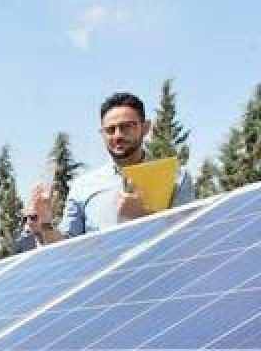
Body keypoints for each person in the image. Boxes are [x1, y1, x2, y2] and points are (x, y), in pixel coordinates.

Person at [30, 92, 195, 245]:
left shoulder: (176, 177)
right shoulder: (82, 187)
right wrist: (44, 225)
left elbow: (187, 239)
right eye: (110, 130)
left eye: (126, 127)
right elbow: (68, 249)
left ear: (145, 128)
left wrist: (143, 217)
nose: (117, 136)